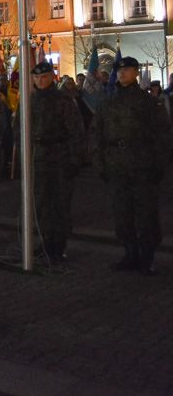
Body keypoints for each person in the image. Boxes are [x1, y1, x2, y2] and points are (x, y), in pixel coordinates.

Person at [93, 56, 171, 275]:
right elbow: (96, 134)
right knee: (122, 213)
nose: (121, 73)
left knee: (146, 214)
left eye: (126, 70)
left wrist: (159, 164)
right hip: (117, 165)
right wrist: (100, 164)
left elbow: (162, 134)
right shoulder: (108, 102)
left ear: (136, 72)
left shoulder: (147, 102)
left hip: (142, 165)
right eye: (119, 70)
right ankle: (130, 253)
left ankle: (147, 257)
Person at [28, 61, 86, 262]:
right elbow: (21, 130)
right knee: (41, 204)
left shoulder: (63, 100)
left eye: (43, 77)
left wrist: (74, 160)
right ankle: (45, 242)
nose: (39, 81)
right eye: (36, 77)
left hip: (59, 157)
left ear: (51, 77)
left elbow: (76, 132)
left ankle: (58, 246)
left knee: (59, 204)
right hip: (38, 158)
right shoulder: (30, 101)